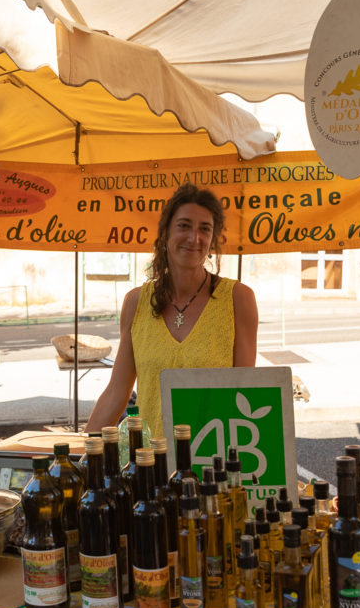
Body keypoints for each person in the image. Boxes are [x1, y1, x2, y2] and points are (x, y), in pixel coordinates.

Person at [85, 184, 258, 438]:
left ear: (212, 240)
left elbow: (246, 394)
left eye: (204, 229)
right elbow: (116, 393)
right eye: (184, 225)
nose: (194, 237)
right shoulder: (136, 303)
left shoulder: (238, 299)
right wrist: (80, 454)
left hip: (212, 464)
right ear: (165, 232)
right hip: (148, 465)